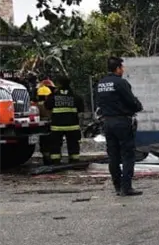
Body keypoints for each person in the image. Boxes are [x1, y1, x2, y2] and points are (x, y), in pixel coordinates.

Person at [96, 57, 143, 196]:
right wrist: (137, 106)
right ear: (117, 68)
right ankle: (126, 187)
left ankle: (117, 186)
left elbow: (99, 102)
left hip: (107, 122)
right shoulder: (121, 83)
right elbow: (131, 101)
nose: (123, 70)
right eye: (122, 67)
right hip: (122, 121)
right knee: (128, 154)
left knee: (113, 155)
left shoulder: (100, 83)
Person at [45, 75, 85, 164]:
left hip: (57, 127)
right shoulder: (76, 96)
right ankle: (74, 160)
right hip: (72, 126)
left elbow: (47, 106)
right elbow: (81, 111)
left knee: (55, 145)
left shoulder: (53, 96)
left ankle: (55, 161)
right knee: (73, 144)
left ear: (59, 84)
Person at [35, 78, 55, 165]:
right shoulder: (50, 104)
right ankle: (52, 160)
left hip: (41, 127)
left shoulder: (35, 105)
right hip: (51, 126)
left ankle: (46, 159)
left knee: (44, 145)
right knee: (52, 143)